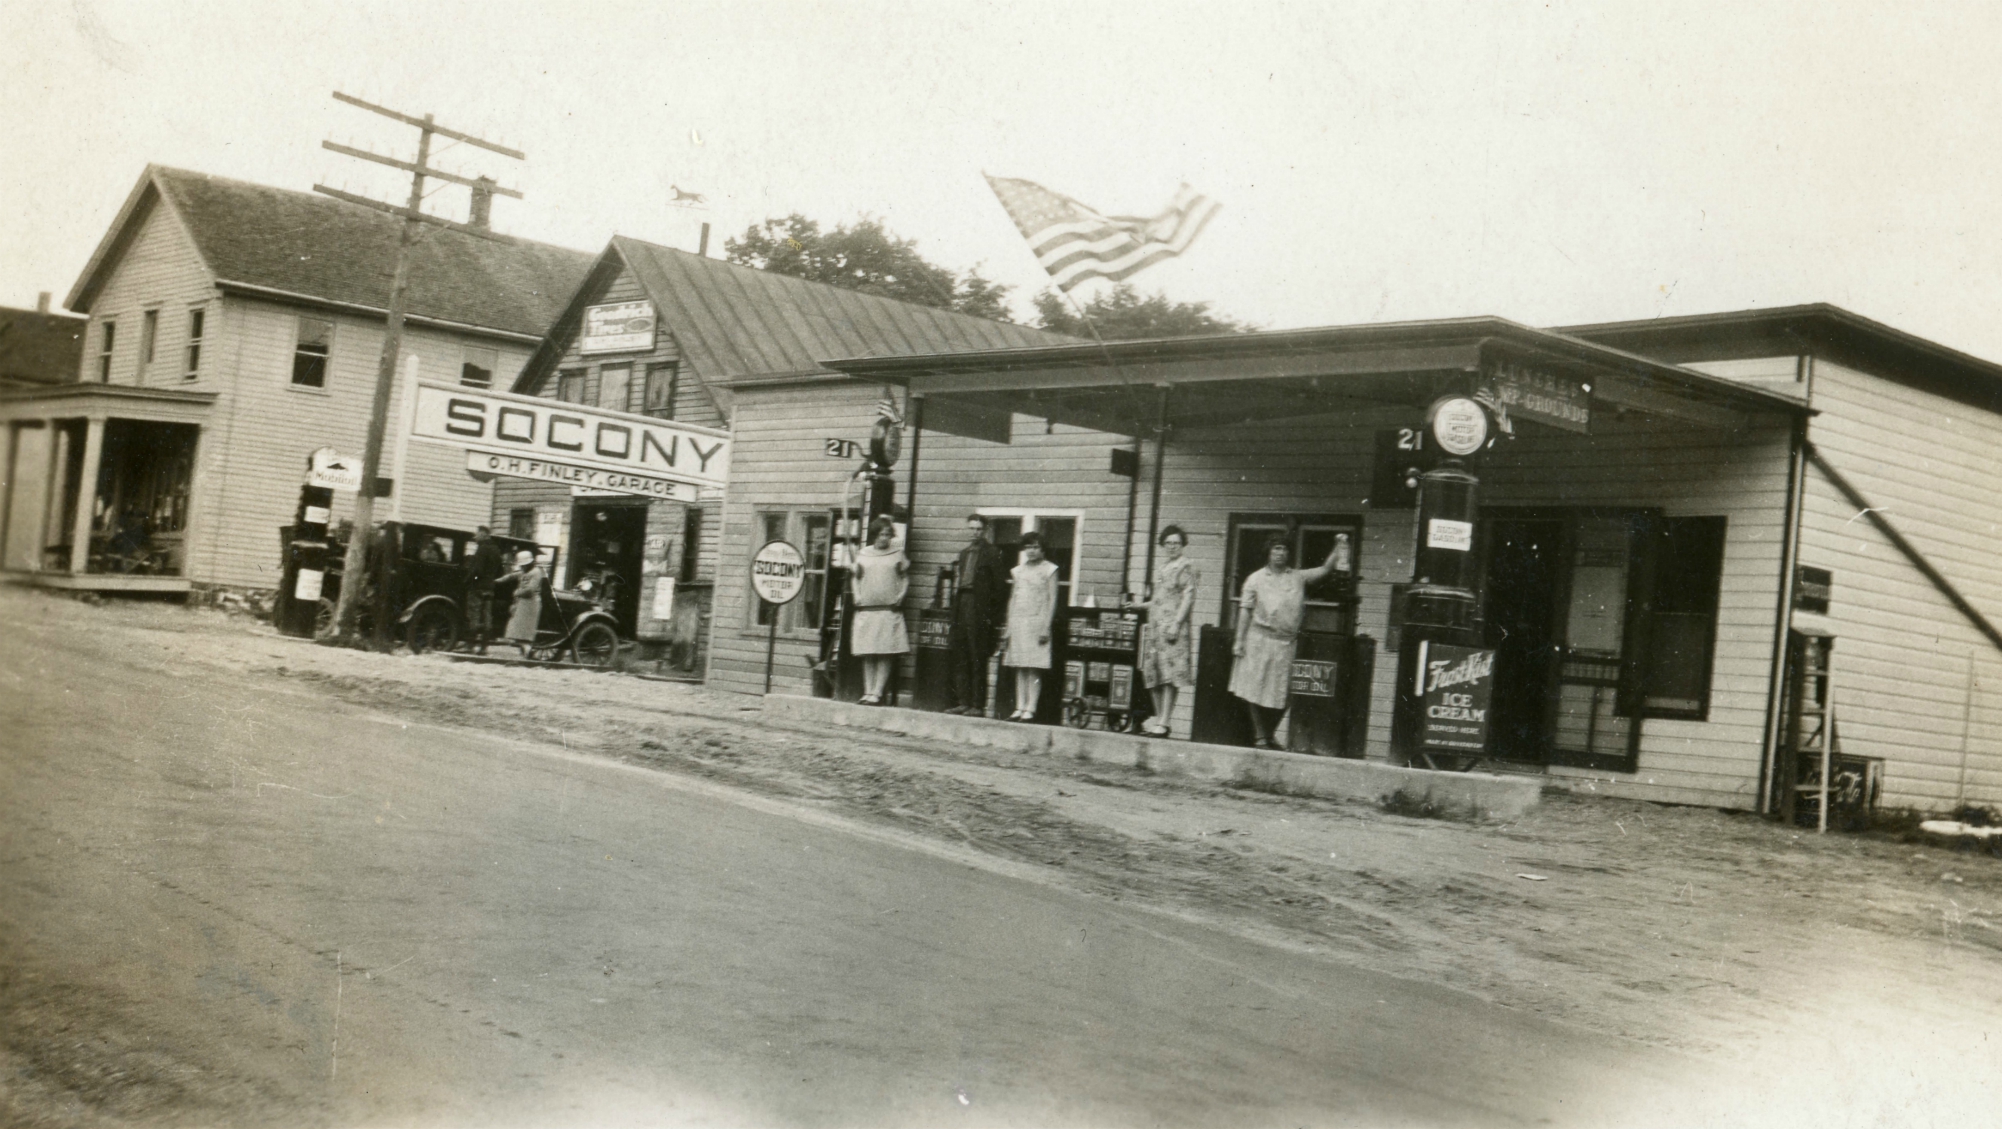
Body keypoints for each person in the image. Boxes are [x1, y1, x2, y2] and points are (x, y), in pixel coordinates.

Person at [1230, 534, 1345, 748]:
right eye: (1276, 549)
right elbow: (1244, 611)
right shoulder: (1255, 579)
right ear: (1268, 552)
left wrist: (1339, 546)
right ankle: (1260, 735)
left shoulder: (1297, 577)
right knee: (1252, 689)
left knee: (1285, 692)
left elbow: (1325, 570)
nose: (1280, 553)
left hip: (1286, 643)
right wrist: (1239, 641)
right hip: (1259, 639)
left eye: (1284, 549)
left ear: (1289, 553)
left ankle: (1268, 733)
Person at [1139, 525, 1199, 736]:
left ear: (1182, 544)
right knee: (1154, 672)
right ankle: (1159, 720)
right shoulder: (1164, 567)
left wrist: (1176, 624)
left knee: (1170, 675)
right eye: (1168, 543)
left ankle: (1164, 721)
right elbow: (1159, 599)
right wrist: (1141, 606)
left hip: (1173, 628)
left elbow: (1188, 597)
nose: (1172, 546)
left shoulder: (1186, 566)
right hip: (1156, 628)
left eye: (1176, 543)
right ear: (1163, 545)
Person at [945, 514, 1006, 715]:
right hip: (962, 603)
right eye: (972, 528)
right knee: (960, 653)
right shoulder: (963, 554)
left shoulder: (992, 553)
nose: (975, 532)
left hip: (980, 608)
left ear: (985, 530)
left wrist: (993, 618)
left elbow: (999, 589)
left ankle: (977, 705)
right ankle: (963, 701)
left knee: (977, 655)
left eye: (979, 529)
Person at [850, 515, 911, 705]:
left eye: (888, 534)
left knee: (884, 652)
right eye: (882, 534)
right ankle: (867, 691)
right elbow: (856, 577)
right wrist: (857, 595)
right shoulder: (863, 554)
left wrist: (900, 595)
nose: (885, 538)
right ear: (875, 535)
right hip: (867, 610)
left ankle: (877, 692)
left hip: (888, 610)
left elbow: (904, 578)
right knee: (868, 652)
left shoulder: (898, 554)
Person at [1000, 531, 1061, 721]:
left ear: (1042, 549)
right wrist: (1008, 626)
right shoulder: (1018, 571)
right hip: (1019, 621)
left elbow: (1052, 599)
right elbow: (1013, 599)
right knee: (1020, 666)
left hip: (1037, 622)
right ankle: (1019, 707)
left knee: (1033, 666)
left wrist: (1046, 626)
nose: (1031, 551)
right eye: (1028, 547)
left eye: (1035, 547)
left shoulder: (1049, 569)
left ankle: (1031, 708)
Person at [465, 526, 506, 654]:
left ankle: (470, 647)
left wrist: (469, 580)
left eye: (477, 535)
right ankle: (484, 648)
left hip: (478, 588)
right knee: (487, 618)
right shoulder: (496, 550)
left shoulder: (482, 549)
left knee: (474, 616)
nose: (475, 537)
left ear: (483, 535)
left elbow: (477, 571)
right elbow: (500, 571)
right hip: (490, 589)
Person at [504, 550, 545, 657]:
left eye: (524, 565)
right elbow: (512, 576)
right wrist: (498, 580)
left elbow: (530, 590)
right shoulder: (525, 572)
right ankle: (527, 651)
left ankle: (529, 651)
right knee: (518, 630)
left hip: (531, 603)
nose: (523, 567)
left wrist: (517, 592)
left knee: (525, 631)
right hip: (523, 603)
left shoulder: (536, 572)